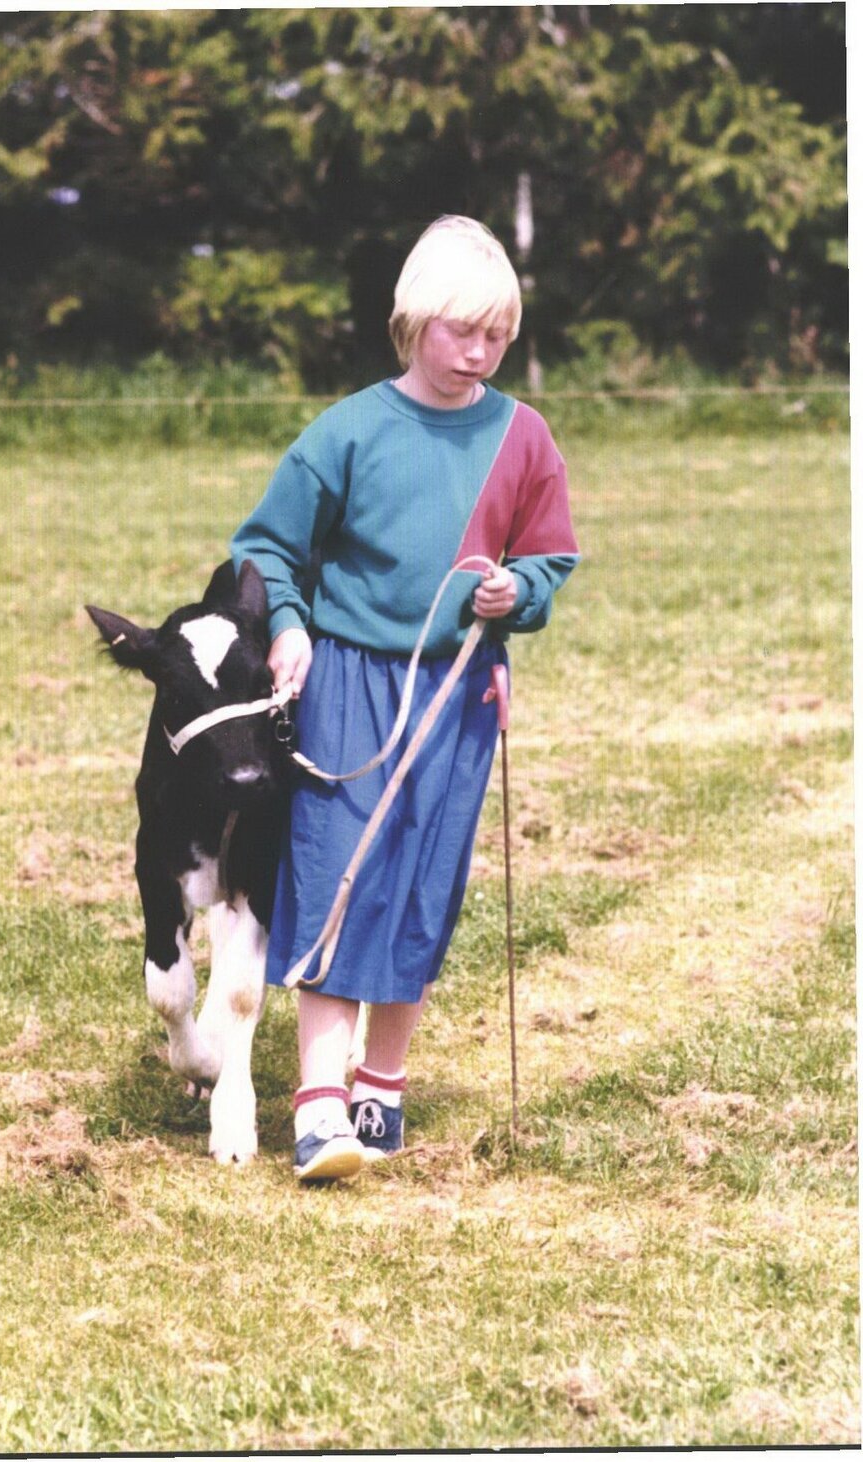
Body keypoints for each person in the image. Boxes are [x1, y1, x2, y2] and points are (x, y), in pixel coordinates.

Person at [231, 215, 579, 1182]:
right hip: (350, 679)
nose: (479, 352)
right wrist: (291, 626)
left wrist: (523, 593)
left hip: (458, 690)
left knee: (423, 884)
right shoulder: (346, 431)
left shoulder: (523, 435)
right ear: (413, 321)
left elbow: (549, 552)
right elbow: (264, 547)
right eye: (461, 331)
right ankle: (317, 1106)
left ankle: (382, 1088)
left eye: (498, 335)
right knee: (338, 871)